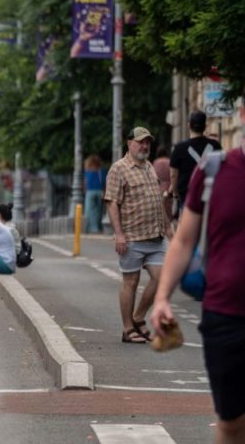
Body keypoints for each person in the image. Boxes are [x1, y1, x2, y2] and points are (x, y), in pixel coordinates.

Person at [151, 137, 245, 444]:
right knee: (231, 423)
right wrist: (163, 297)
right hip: (225, 317)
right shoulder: (215, 170)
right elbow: (183, 241)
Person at [105, 126, 171, 344]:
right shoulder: (119, 169)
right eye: (140, 142)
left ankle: (138, 316)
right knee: (130, 282)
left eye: (148, 142)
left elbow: (157, 200)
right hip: (132, 236)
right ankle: (127, 329)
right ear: (129, 143)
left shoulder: (149, 167)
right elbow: (112, 203)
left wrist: (168, 225)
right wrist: (119, 235)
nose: (145, 146)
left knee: (162, 280)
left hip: (156, 236)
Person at [169, 111, 222, 213]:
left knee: (188, 227)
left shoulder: (179, 148)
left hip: (187, 197)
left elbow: (173, 175)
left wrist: (175, 194)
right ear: (205, 126)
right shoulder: (215, 146)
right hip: (210, 195)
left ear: (189, 125)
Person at [83, 154, 107, 233]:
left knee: (90, 211)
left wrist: (84, 191)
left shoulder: (87, 171)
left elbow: (85, 182)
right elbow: (104, 182)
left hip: (90, 191)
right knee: (99, 210)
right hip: (100, 191)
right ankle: (99, 226)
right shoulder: (102, 171)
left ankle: (93, 228)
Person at [153, 147, 173, 221]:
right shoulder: (169, 161)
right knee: (168, 206)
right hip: (169, 185)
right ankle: (169, 221)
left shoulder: (155, 162)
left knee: (160, 206)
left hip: (159, 186)